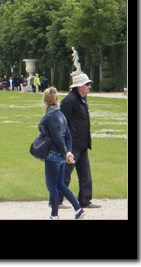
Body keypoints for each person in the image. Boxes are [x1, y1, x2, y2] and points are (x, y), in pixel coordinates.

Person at [39, 87, 86, 219]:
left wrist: (66, 152)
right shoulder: (60, 115)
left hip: (53, 155)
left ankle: (54, 216)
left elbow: (57, 138)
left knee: (52, 186)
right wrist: (68, 152)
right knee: (60, 185)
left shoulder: (51, 116)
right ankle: (78, 209)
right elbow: (68, 136)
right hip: (60, 156)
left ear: (45, 100)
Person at [59, 73, 101, 210]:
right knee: (66, 173)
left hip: (82, 143)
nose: (89, 87)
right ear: (79, 86)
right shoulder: (70, 100)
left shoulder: (83, 98)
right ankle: (57, 200)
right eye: (87, 84)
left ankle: (85, 200)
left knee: (85, 174)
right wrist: (65, 144)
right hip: (72, 144)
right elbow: (62, 122)